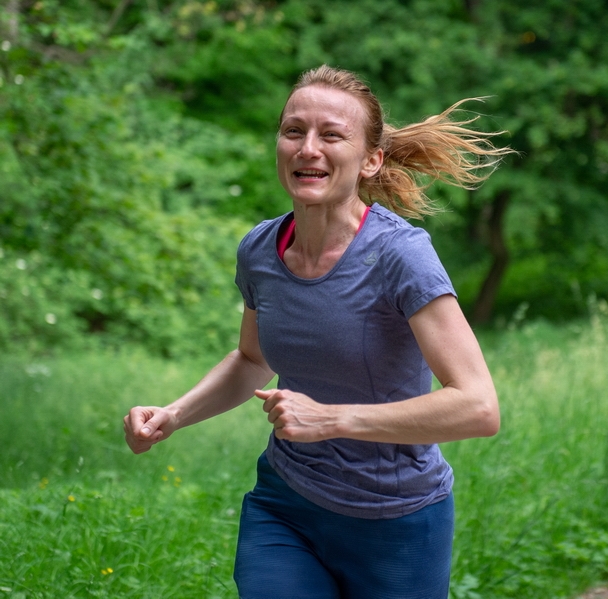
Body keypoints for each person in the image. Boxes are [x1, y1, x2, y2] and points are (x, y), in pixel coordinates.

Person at [123, 64, 509, 599]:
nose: (308, 148)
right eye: (293, 131)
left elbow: (478, 407)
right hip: (287, 506)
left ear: (371, 159)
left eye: (331, 135)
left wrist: (331, 419)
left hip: (395, 521)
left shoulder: (401, 255)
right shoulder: (259, 250)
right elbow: (251, 359)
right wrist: (174, 413)